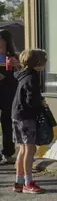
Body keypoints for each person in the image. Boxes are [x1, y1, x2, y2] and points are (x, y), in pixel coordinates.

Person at [11, 49, 48, 194]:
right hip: (26, 117)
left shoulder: (22, 74)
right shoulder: (33, 77)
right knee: (30, 149)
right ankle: (28, 182)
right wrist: (41, 105)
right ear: (38, 63)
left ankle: (18, 182)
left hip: (17, 114)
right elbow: (32, 100)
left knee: (22, 148)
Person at [0, 29, 20, 165]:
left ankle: (8, 154)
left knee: (7, 124)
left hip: (8, 94)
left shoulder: (13, 56)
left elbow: (22, 74)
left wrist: (17, 66)